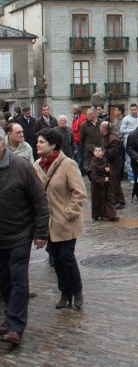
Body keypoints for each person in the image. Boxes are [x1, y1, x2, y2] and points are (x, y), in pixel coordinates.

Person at [0, 127, 49, 345]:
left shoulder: (21, 167)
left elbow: (40, 201)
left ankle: (15, 328)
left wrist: (41, 233)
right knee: (5, 281)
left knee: (18, 279)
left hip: (20, 234)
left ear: (2, 144)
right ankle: (10, 317)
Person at [34, 128, 87, 310]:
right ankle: (64, 293)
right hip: (48, 223)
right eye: (37, 141)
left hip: (66, 221)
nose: (37, 144)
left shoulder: (68, 164)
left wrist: (68, 212)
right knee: (55, 258)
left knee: (67, 257)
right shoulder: (37, 165)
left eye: (41, 142)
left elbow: (79, 192)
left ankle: (77, 291)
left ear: (53, 144)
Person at [87, 146, 118, 221]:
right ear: (94, 152)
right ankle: (97, 215)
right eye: (96, 151)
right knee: (97, 201)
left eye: (99, 150)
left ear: (102, 152)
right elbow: (92, 175)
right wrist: (102, 180)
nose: (97, 152)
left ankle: (111, 215)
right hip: (97, 185)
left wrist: (108, 171)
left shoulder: (105, 161)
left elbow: (110, 171)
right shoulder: (92, 163)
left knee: (108, 199)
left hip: (106, 185)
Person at [99, 121, 125, 208]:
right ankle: (114, 199)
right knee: (112, 182)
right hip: (110, 163)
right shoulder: (107, 136)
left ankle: (120, 201)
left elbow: (114, 151)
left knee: (114, 182)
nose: (100, 129)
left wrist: (104, 153)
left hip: (114, 163)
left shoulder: (113, 138)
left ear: (104, 129)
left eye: (101, 127)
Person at [120, 104, 138, 182]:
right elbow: (121, 130)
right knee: (129, 159)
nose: (133, 111)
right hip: (128, 140)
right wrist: (132, 131)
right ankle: (131, 177)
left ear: (137, 109)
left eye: (134, 109)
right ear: (130, 110)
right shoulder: (126, 118)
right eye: (132, 110)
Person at [79, 107, 101, 172]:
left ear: (94, 114)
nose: (87, 116)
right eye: (87, 114)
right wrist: (86, 149)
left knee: (100, 168)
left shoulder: (101, 122)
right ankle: (92, 181)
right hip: (89, 151)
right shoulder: (84, 125)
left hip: (100, 150)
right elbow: (81, 139)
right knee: (91, 169)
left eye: (89, 114)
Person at [71, 105, 86, 171]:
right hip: (75, 139)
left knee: (79, 156)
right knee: (76, 155)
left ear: (77, 110)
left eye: (74, 109)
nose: (72, 110)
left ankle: (79, 171)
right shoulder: (75, 118)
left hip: (79, 139)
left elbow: (78, 129)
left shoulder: (82, 117)